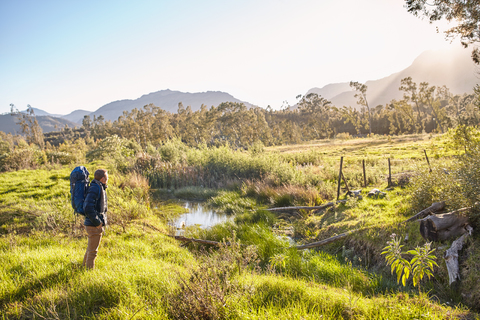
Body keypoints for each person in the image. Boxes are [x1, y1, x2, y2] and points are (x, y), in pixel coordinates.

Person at [82, 169, 108, 269]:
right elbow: (88, 207)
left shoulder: (98, 187)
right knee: (93, 252)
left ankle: (83, 268)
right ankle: (88, 274)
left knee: (90, 250)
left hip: (92, 224)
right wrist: (97, 222)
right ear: (103, 179)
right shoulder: (95, 188)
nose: (108, 179)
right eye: (107, 177)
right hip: (93, 225)